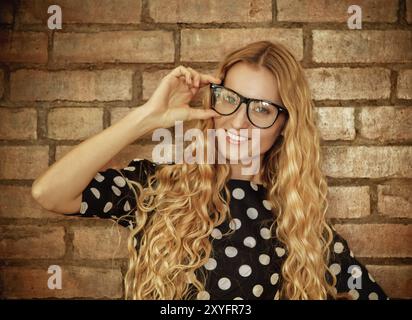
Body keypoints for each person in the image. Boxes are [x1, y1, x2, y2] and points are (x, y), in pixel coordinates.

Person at [32, 40, 388, 300]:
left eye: (262, 109)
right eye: (230, 99)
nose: (237, 121)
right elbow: (49, 193)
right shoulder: (160, 186)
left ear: (285, 125)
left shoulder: (303, 230)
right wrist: (146, 118)